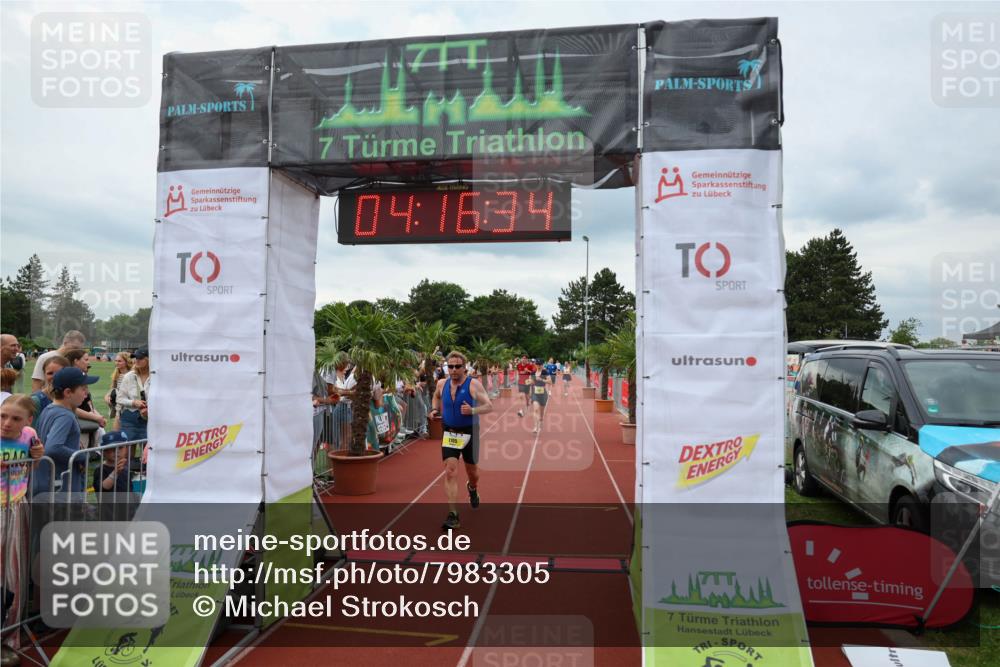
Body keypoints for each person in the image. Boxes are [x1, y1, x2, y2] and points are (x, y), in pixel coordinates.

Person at [1, 395, 44, 666]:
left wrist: (38, 457)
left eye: (15, 418)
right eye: (3, 416)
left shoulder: (30, 434)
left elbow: (31, 467)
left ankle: (8, 638)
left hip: (17, 508)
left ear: (28, 421)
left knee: (13, 577)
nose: (6, 423)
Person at [430, 351, 494, 530]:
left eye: (457, 366)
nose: (454, 370)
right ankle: (453, 515)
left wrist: (472, 411)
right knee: (450, 471)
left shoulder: (473, 384)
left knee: (472, 472)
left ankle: (472, 488)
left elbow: (489, 406)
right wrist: (435, 409)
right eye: (450, 366)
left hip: (469, 432)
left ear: (464, 367)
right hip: (450, 433)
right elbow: (436, 396)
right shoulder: (442, 383)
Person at [34, 367, 98, 495]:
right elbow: (53, 447)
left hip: (47, 480)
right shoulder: (65, 416)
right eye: (83, 389)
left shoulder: (49, 409)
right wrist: (81, 456)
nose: (86, 394)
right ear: (68, 392)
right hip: (61, 484)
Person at [116, 348, 150, 442]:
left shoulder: (157, 377)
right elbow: (119, 399)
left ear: (149, 359)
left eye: (140, 358)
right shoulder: (129, 376)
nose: (136, 360)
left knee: (146, 451)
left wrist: (149, 410)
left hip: (149, 418)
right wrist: (133, 402)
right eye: (135, 358)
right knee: (126, 451)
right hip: (129, 417)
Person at [30, 355, 70, 427]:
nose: (54, 376)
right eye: (50, 373)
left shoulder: (70, 397)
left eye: (59, 372)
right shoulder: (36, 400)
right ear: (44, 375)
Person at [105, 352, 132, 431]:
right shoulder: (116, 374)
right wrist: (107, 396)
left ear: (126, 362)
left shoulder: (131, 375)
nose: (117, 363)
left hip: (128, 408)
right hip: (119, 408)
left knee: (128, 436)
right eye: (116, 361)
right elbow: (113, 388)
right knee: (116, 435)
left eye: (119, 361)